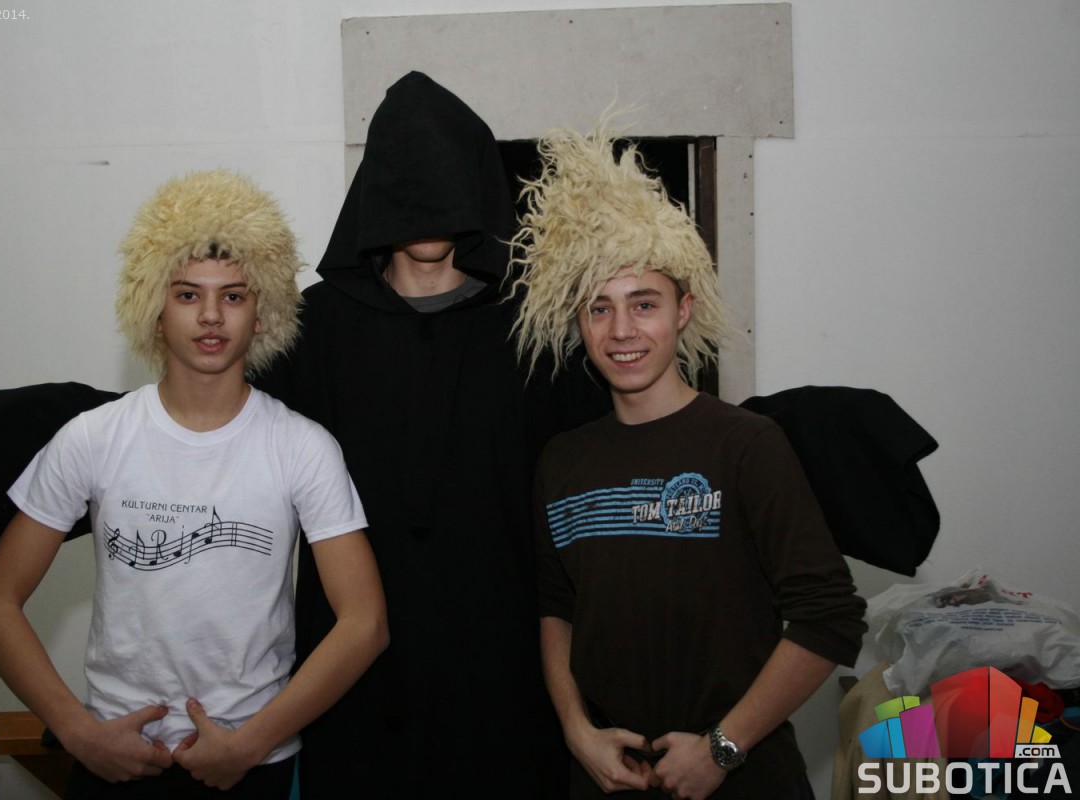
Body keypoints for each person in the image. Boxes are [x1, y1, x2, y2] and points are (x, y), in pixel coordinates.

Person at [0, 169, 388, 799]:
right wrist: (78, 733)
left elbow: (365, 623)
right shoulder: (92, 438)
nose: (211, 315)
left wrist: (251, 743)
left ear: (263, 315)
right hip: (114, 758)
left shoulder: (303, 447)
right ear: (155, 312)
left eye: (234, 296)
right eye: (188, 294)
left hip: (251, 764)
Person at [252, 72, 608, 798]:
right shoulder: (312, 333)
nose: (428, 206)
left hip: (505, 677)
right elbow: (209, 441)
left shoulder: (537, 334)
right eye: (411, 184)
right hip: (353, 678)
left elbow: (625, 462)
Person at [508, 124, 867, 799]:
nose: (621, 331)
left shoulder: (746, 445)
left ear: (683, 310)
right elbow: (557, 611)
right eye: (599, 309)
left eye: (644, 304)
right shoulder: (563, 460)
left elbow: (830, 617)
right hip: (608, 777)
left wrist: (722, 748)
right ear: (578, 323)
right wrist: (577, 732)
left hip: (742, 778)